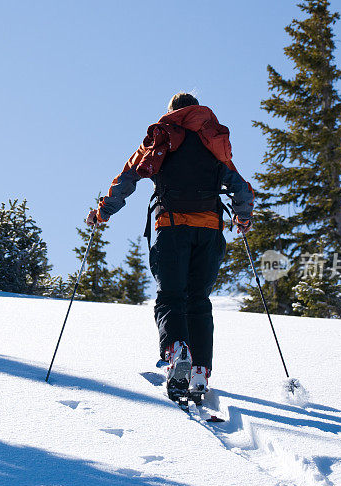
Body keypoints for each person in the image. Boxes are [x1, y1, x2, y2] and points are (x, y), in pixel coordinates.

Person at [85, 93, 254, 401]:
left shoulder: (161, 136)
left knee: (171, 297)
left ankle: (177, 351)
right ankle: (200, 370)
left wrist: (103, 212)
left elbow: (128, 177)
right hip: (209, 229)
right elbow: (239, 186)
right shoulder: (212, 138)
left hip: (172, 227)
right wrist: (243, 215)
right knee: (198, 300)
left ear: (172, 112)